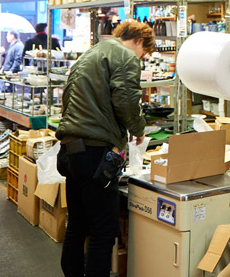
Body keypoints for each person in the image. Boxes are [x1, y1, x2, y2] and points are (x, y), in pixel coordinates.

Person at [55, 20, 154, 277]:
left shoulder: (92, 54)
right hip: (95, 151)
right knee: (103, 231)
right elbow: (126, 99)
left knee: (77, 225)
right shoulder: (124, 56)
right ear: (139, 42)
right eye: (144, 54)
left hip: (71, 149)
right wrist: (139, 129)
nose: (141, 58)